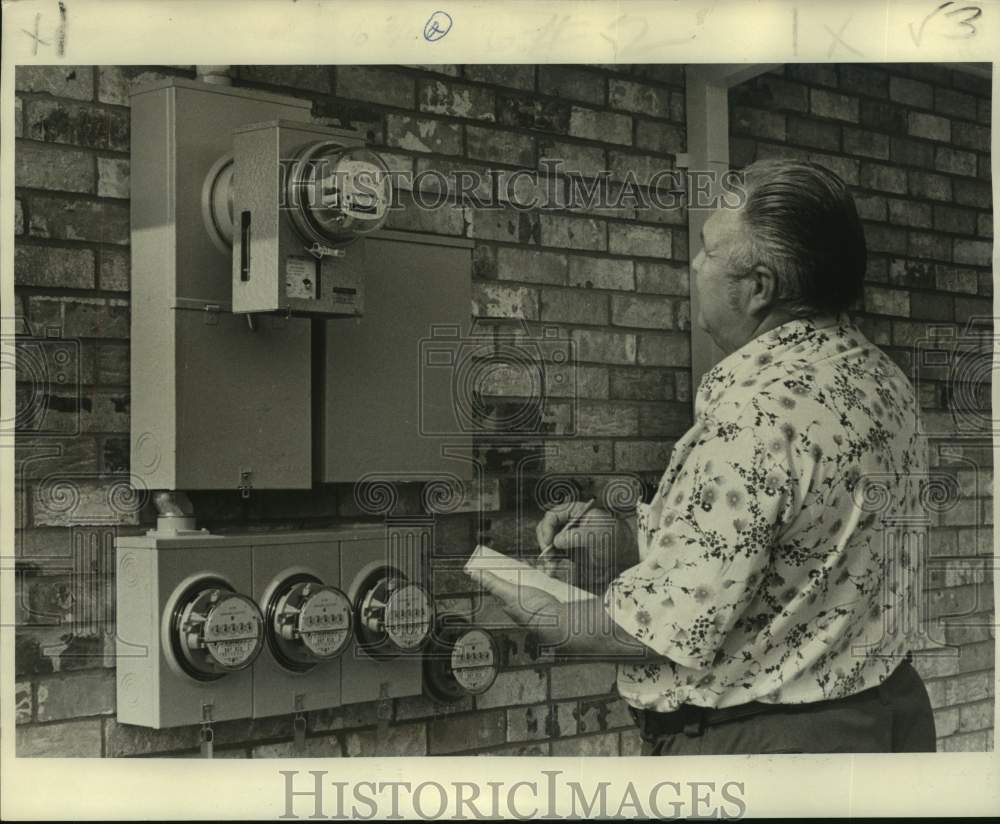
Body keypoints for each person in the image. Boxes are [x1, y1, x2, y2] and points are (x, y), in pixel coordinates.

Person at [479, 159, 937, 755]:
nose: (694, 265)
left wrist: (544, 611)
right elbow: (790, 554)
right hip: (884, 722)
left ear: (759, 288)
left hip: (771, 752)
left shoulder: (757, 415)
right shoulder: (882, 381)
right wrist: (632, 543)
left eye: (708, 250)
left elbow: (664, 631)